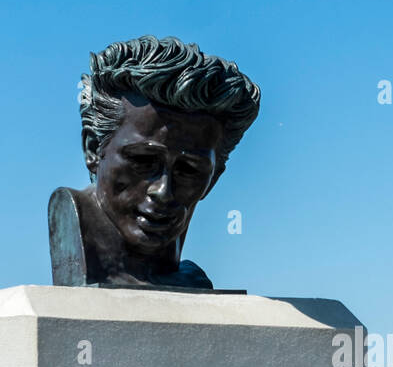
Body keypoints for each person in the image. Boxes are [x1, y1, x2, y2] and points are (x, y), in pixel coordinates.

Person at [49, 35, 261, 289]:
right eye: (143, 161)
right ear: (93, 149)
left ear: (213, 179)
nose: (162, 191)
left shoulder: (192, 278)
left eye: (189, 169)